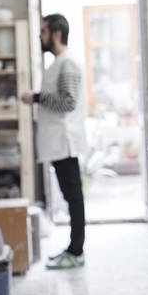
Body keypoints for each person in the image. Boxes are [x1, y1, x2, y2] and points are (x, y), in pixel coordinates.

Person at [21, 13, 88, 270]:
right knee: (72, 197)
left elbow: (67, 102)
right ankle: (73, 249)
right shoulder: (60, 62)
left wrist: (36, 98)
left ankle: (76, 250)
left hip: (65, 141)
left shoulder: (67, 63)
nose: (40, 35)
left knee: (74, 198)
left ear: (56, 34)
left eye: (44, 31)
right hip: (59, 143)